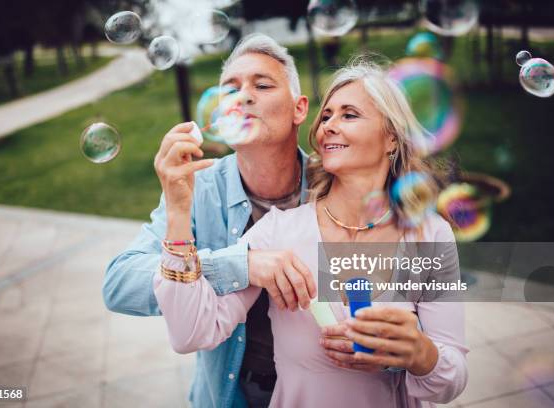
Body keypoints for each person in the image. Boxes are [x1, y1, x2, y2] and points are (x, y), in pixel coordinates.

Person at [155, 57, 469, 407]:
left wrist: (420, 353)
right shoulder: (278, 231)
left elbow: (451, 379)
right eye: (327, 116)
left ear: (391, 138)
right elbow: (190, 332)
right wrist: (178, 211)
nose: (329, 126)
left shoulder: (430, 236)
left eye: (349, 115)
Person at [103, 33, 317, 407]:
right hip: (231, 395)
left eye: (262, 85)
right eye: (230, 89)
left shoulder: (333, 185)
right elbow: (119, 283)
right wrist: (240, 266)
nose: (243, 96)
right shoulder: (198, 187)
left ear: (299, 108)